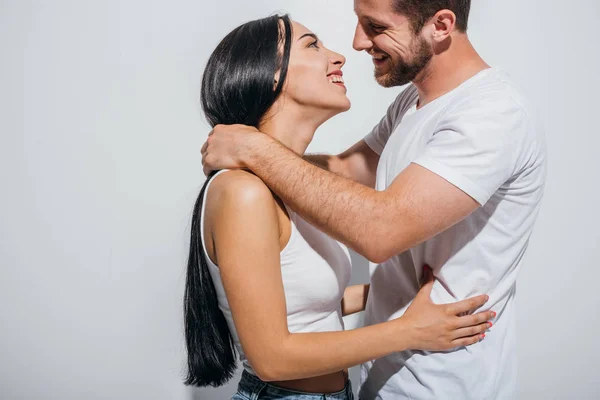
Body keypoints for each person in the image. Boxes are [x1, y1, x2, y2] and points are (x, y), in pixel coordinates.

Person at [200, 1, 547, 400]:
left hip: (445, 383)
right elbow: (346, 169)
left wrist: (256, 149)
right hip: (375, 380)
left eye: (375, 26)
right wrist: (253, 153)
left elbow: (379, 231)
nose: (356, 42)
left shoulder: (492, 113)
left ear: (441, 25)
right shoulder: (411, 105)